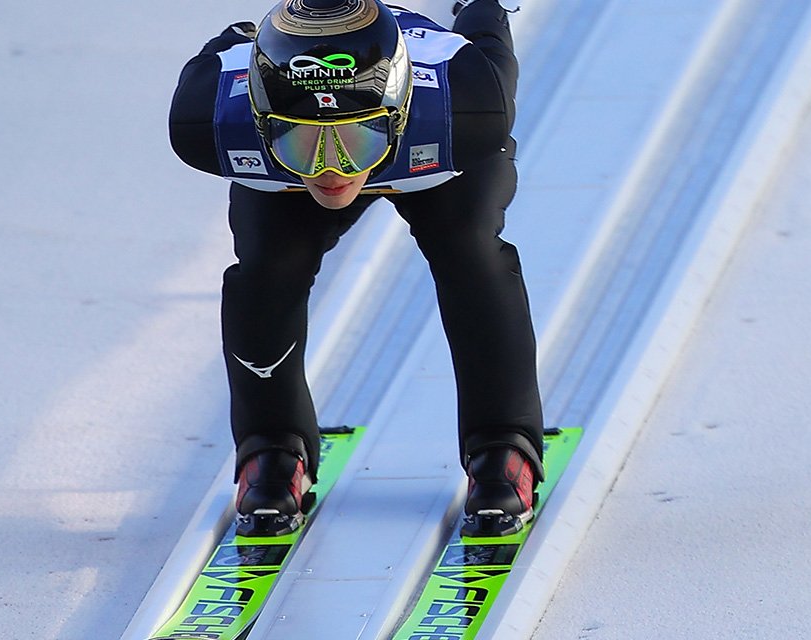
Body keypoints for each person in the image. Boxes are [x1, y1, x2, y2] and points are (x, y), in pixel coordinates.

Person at [168, 0, 544, 537]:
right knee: (264, 273)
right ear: (257, 120)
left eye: (356, 140)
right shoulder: (208, 119)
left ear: (397, 112)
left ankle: (505, 444)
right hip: (402, 149)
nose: (331, 169)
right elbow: (228, 49)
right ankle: (271, 446)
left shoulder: (465, 103)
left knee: (472, 253)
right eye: (301, 142)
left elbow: (487, 43)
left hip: (433, 161)